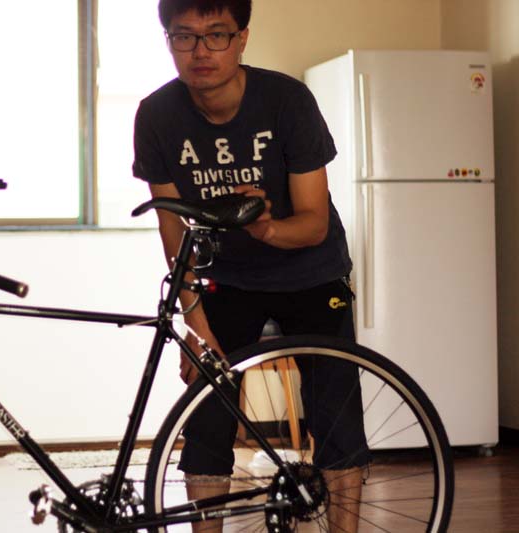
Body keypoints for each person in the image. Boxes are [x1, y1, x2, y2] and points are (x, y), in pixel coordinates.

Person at [132, 1, 370, 531]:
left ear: (241, 38)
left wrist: (264, 227)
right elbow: (175, 232)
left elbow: (313, 223)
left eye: (216, 34)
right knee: (208, 413)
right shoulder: (157, 115)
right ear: (167, 40)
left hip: (310, 270)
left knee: (336, 413)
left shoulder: (286, 101)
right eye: (184, 36)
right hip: (226, 277)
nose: (200, 51)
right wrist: (197, 328)